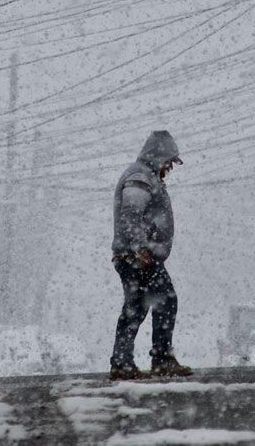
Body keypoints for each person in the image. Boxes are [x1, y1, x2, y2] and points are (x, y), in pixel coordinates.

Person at [109, 130, 193, 380]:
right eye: (168, 161)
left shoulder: (145, 176)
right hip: (138, 256)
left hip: (135, 255)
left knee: (136, 307)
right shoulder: (140, 176)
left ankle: (124, 362)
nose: (169, 167)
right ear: (158, 156)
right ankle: (160, 358)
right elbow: (131, 213)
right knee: (165, 300)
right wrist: (140, 247)